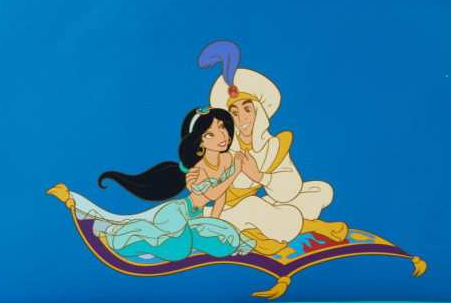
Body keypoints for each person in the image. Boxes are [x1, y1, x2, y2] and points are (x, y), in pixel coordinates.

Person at [186, 41, 348, 254]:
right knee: (254, 207)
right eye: (234, 112)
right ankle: (300, 229)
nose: (242, 119)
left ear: (259, 111)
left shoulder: (273, 145)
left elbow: (289, 189)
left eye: (247, 110)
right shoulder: (222, 146)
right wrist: (196, 181)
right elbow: (207, 184)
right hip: (226, 209)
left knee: (321, 191)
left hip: (263, 205)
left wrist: (259, 176)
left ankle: (256, 231)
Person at [47, 107, 255, 261]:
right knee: (178, 250)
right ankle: (125, 232)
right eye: (210, 134)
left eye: (222, 127)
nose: (223, 136)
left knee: (227, 241)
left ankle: (179, 238)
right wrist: (236, 172)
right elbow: (212, 194)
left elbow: (221, 198)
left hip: (194, 218)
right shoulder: (196, 170)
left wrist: (214, 225)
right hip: (176, 213)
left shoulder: (227, 159)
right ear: (199, 141)